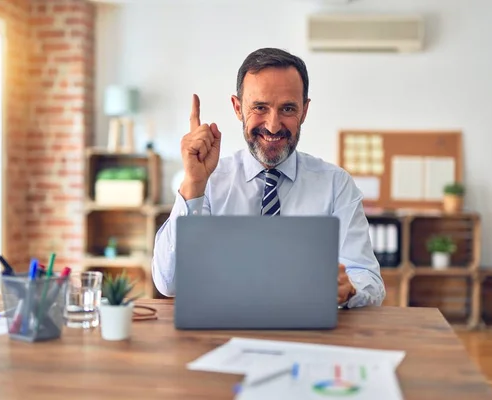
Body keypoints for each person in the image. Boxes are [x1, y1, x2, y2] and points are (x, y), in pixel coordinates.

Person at [152, 47, 385, 308]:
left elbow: (370, 281)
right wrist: (194, 184)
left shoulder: (335, 184)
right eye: (260, 107)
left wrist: (350, 289)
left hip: (309, 335)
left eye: (287, 109)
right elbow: (169, 283)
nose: (273, 125)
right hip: (222, 332)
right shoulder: (210, 181)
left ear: (304, 111)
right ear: (238, 108)